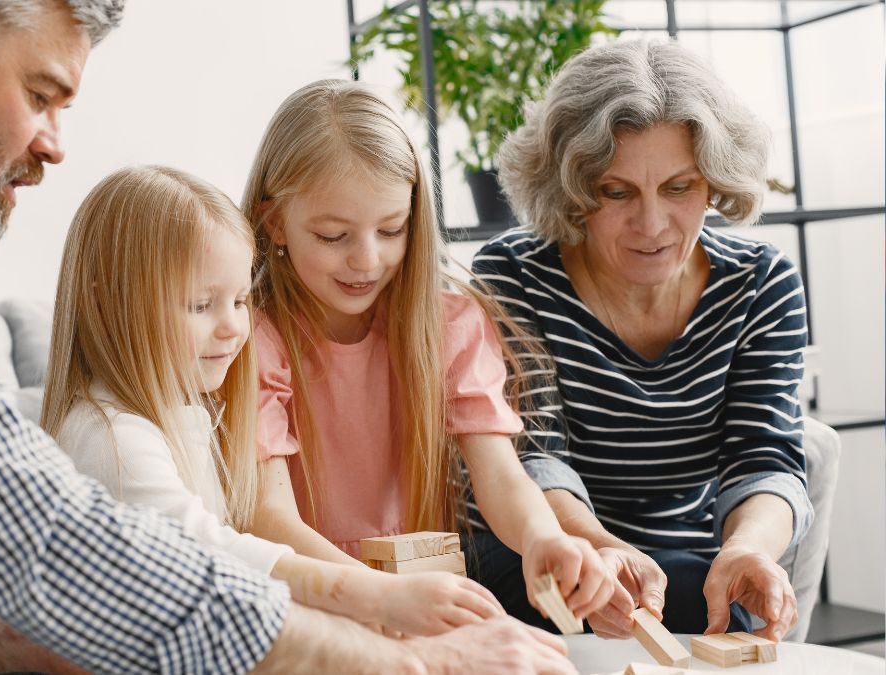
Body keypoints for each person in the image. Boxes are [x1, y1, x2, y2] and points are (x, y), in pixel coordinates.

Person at [0, 0, 577, 672]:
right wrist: (407, 662)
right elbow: (28, 526)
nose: (56, 144)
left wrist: (11, 638)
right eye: (42, 94)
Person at [42, 164, 505, 637]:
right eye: (201, 305)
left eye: (240, 301)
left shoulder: (182, 418)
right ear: (106, 305)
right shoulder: (112, 440)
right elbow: (212, 554)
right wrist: (377, 595)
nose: (233, 328)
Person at [242, 79, 619, 628]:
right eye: (332, 236)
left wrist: (543, 536)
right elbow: (267, 517)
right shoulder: (252, 339)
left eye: (391, 229)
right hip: (303, 599)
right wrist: (378, 598)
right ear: (275, 222)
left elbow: (501, 477)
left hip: (419, 590)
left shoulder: (449, 325)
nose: (366, 261)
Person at [471, 39, 813, 641]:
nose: (652, 226)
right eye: (617, 192)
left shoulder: (761, 283)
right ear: (572, 190)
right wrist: (600, 550)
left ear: (715, 181)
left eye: (679, 188)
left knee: (695, 595)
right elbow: (533, 456)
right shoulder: (512, 275)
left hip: (681, 564)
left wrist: (748, 549)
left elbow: (765, 455)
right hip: (535, 553)